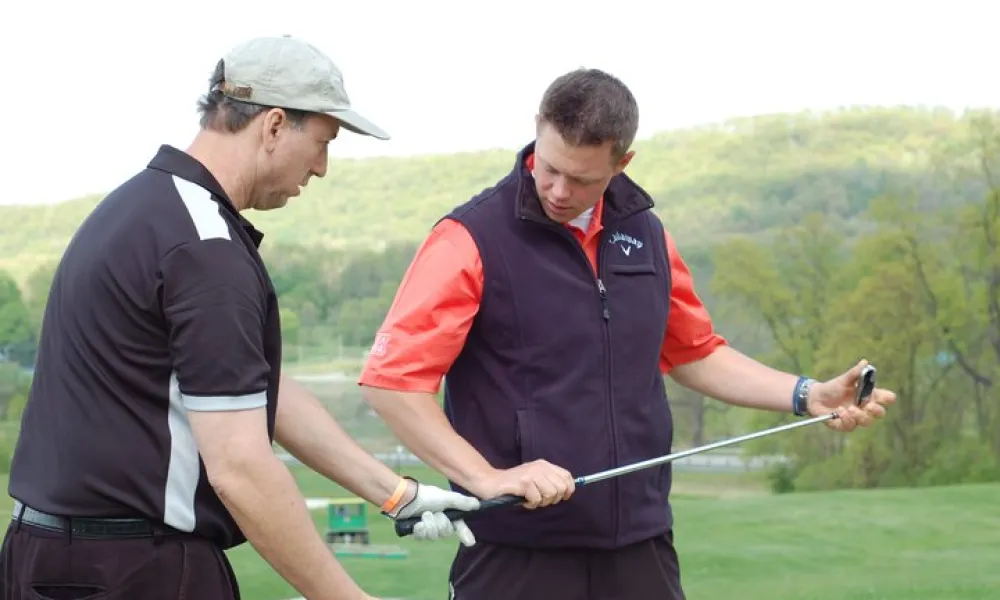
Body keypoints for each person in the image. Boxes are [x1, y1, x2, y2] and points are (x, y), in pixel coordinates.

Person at [358, 67, 898, 600]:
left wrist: (807, 395)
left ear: (623, 163)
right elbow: (393, 383)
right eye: (549, 168)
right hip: (515, 555)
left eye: (583, 179)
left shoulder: (646, 233)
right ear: (537, 129)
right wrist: (484, 477)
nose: (558, 190)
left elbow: (693, 352)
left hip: (640, 545)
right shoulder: (468, 239)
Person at [0, 35, 480, 600]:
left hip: (49, 555)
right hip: (135, 570)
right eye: (323, 142)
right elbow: (241, 469)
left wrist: (395, 492)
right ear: (274, 125)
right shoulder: (204, 248)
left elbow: (256, 387)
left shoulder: (140, 207)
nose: (323, 168)